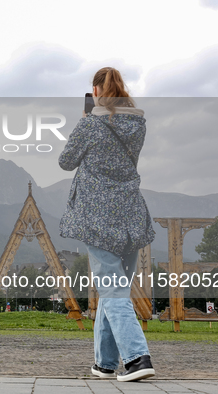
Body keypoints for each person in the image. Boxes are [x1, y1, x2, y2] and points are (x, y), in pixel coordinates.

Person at [58, 67, 156, 382]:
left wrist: (86, 118)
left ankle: (138, 358)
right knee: (114, 287)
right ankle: (105, 362)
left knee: (112, 287)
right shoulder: (137, 125)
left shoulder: (90, 124)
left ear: (96, 92)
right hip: (130, 214)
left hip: (98, 217)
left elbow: (66, 161)